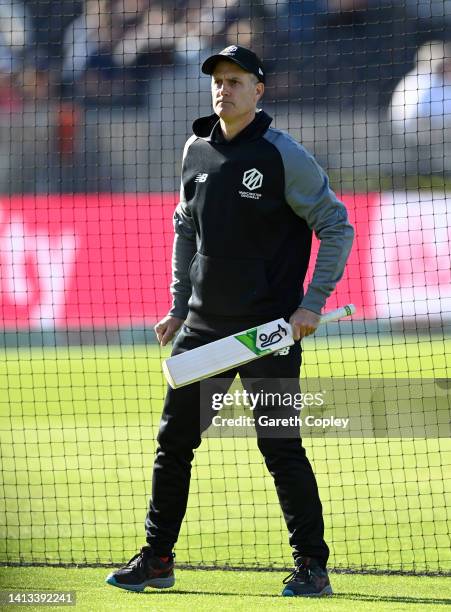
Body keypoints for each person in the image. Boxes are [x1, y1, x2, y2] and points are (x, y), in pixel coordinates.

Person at [106, 45, 354, 597]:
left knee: (279, 446)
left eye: (236, 80)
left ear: (259, 90)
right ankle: (157, 558)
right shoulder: (195, 150)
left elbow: (336, 225)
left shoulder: (283, 155)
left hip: (267, 334)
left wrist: (312, 304)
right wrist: (176, 306)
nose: (224, 89)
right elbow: (184, 229)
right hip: (203, 333)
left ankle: (312, 566)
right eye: (218, 80)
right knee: (174, 445)